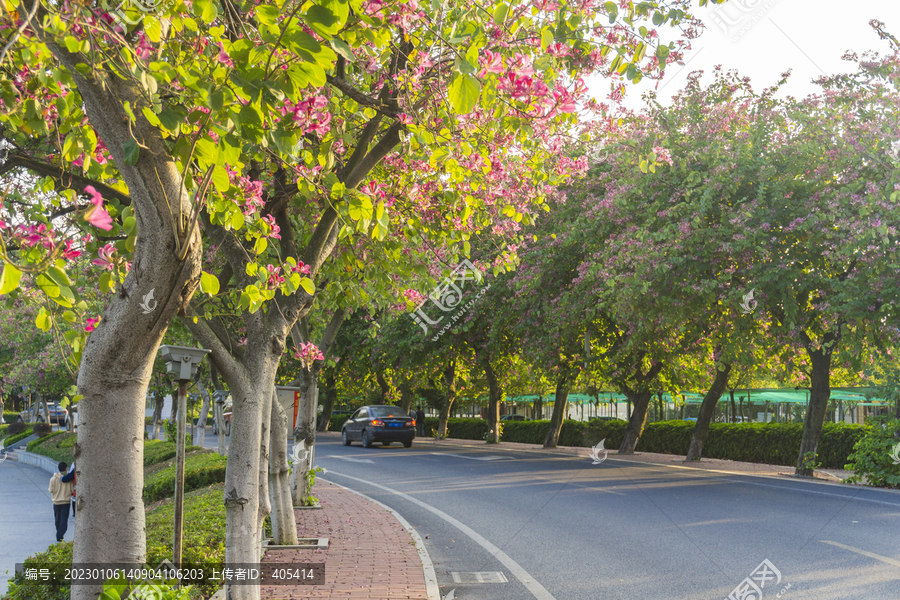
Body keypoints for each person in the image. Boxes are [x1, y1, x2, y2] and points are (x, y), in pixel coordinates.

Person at [49, 461, 75, 542]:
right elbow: (72, 490)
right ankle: (60, 535)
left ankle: (59, 534)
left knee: (57, 519)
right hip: (66, 502)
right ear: (66, 469)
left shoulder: (53, 479)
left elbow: (51, 490)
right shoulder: (69, 479)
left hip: (56, 502)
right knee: (64, 520)